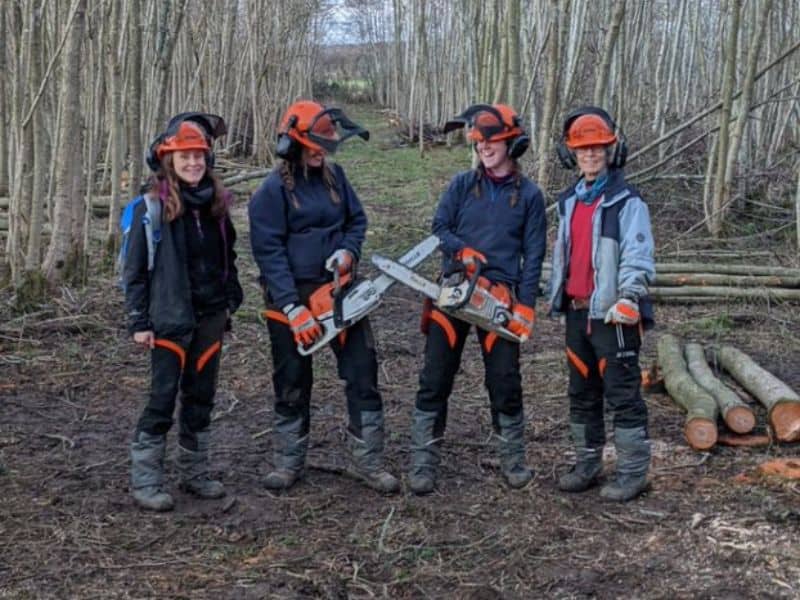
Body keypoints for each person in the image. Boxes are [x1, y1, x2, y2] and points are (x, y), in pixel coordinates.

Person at [248, 100, 399, 494]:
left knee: (362, 372)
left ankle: (368, 459)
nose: (322, 151)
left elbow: (357, 221)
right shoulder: (271, 191)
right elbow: (269, 253)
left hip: (339, 290)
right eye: (315, 145)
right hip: (292, 296)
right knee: (292, 380)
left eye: (326, 144)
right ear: (293, 142)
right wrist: (292, 306)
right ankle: (288, 460)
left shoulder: (337, 178)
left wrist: (348, 251)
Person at [408, 103, 547, 494]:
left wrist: (526, 306)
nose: (485, 148)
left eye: (492, 141)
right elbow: (439, 228)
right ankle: (423, 460)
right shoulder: (461, 185)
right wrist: (461, 250)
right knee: (435, 376)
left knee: (504, 380)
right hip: (454, 288)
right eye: (480, 142)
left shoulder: (530, 197)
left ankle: (513, 460)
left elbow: (533, 255)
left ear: (511, 143)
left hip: (500, 296)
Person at [124, 113, 243, 511]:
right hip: (168, 320)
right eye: (184, 157)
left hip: (210, 317)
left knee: (201, 396)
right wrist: (138, 322)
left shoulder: (217, 204)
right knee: (162, 399)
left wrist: (230, 301)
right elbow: (135, 271)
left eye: (198, 156)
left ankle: (195, 473)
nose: (193, 163)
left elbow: (230, 257)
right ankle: (146, 480)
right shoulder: (151, 208)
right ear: (168, 160)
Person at [549, 106, 655, 502]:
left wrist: (629, 297)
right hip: (578, 312)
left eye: (598, 148)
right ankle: (588, 463)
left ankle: (632, 472)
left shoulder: (627, 202)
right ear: (571, 155)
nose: (591, 156)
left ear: (612, 151)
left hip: (614, 315)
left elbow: (639, 255)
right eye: (583, 149)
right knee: (582, 391)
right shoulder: (569, 202)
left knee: (622, 392)